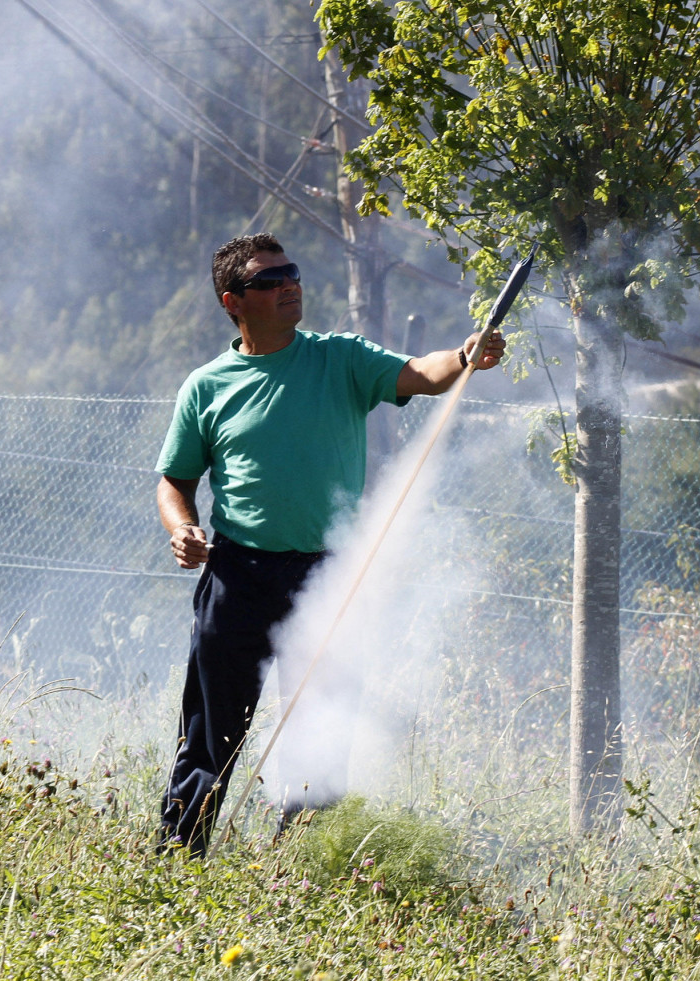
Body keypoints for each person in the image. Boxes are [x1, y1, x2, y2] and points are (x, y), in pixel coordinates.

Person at [155, 232, 505, 856]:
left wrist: (464, 354)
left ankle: (295, 877)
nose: (289, 284)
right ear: (234, 301)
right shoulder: (205, 387)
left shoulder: (340, 358)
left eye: (291, 272)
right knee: (210, 736)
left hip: (328, 581)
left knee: (321, 737)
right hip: (237, 578)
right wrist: (182, 528)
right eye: (270, 280)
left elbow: (422, 374)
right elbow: (174, 483)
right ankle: (175, 865)